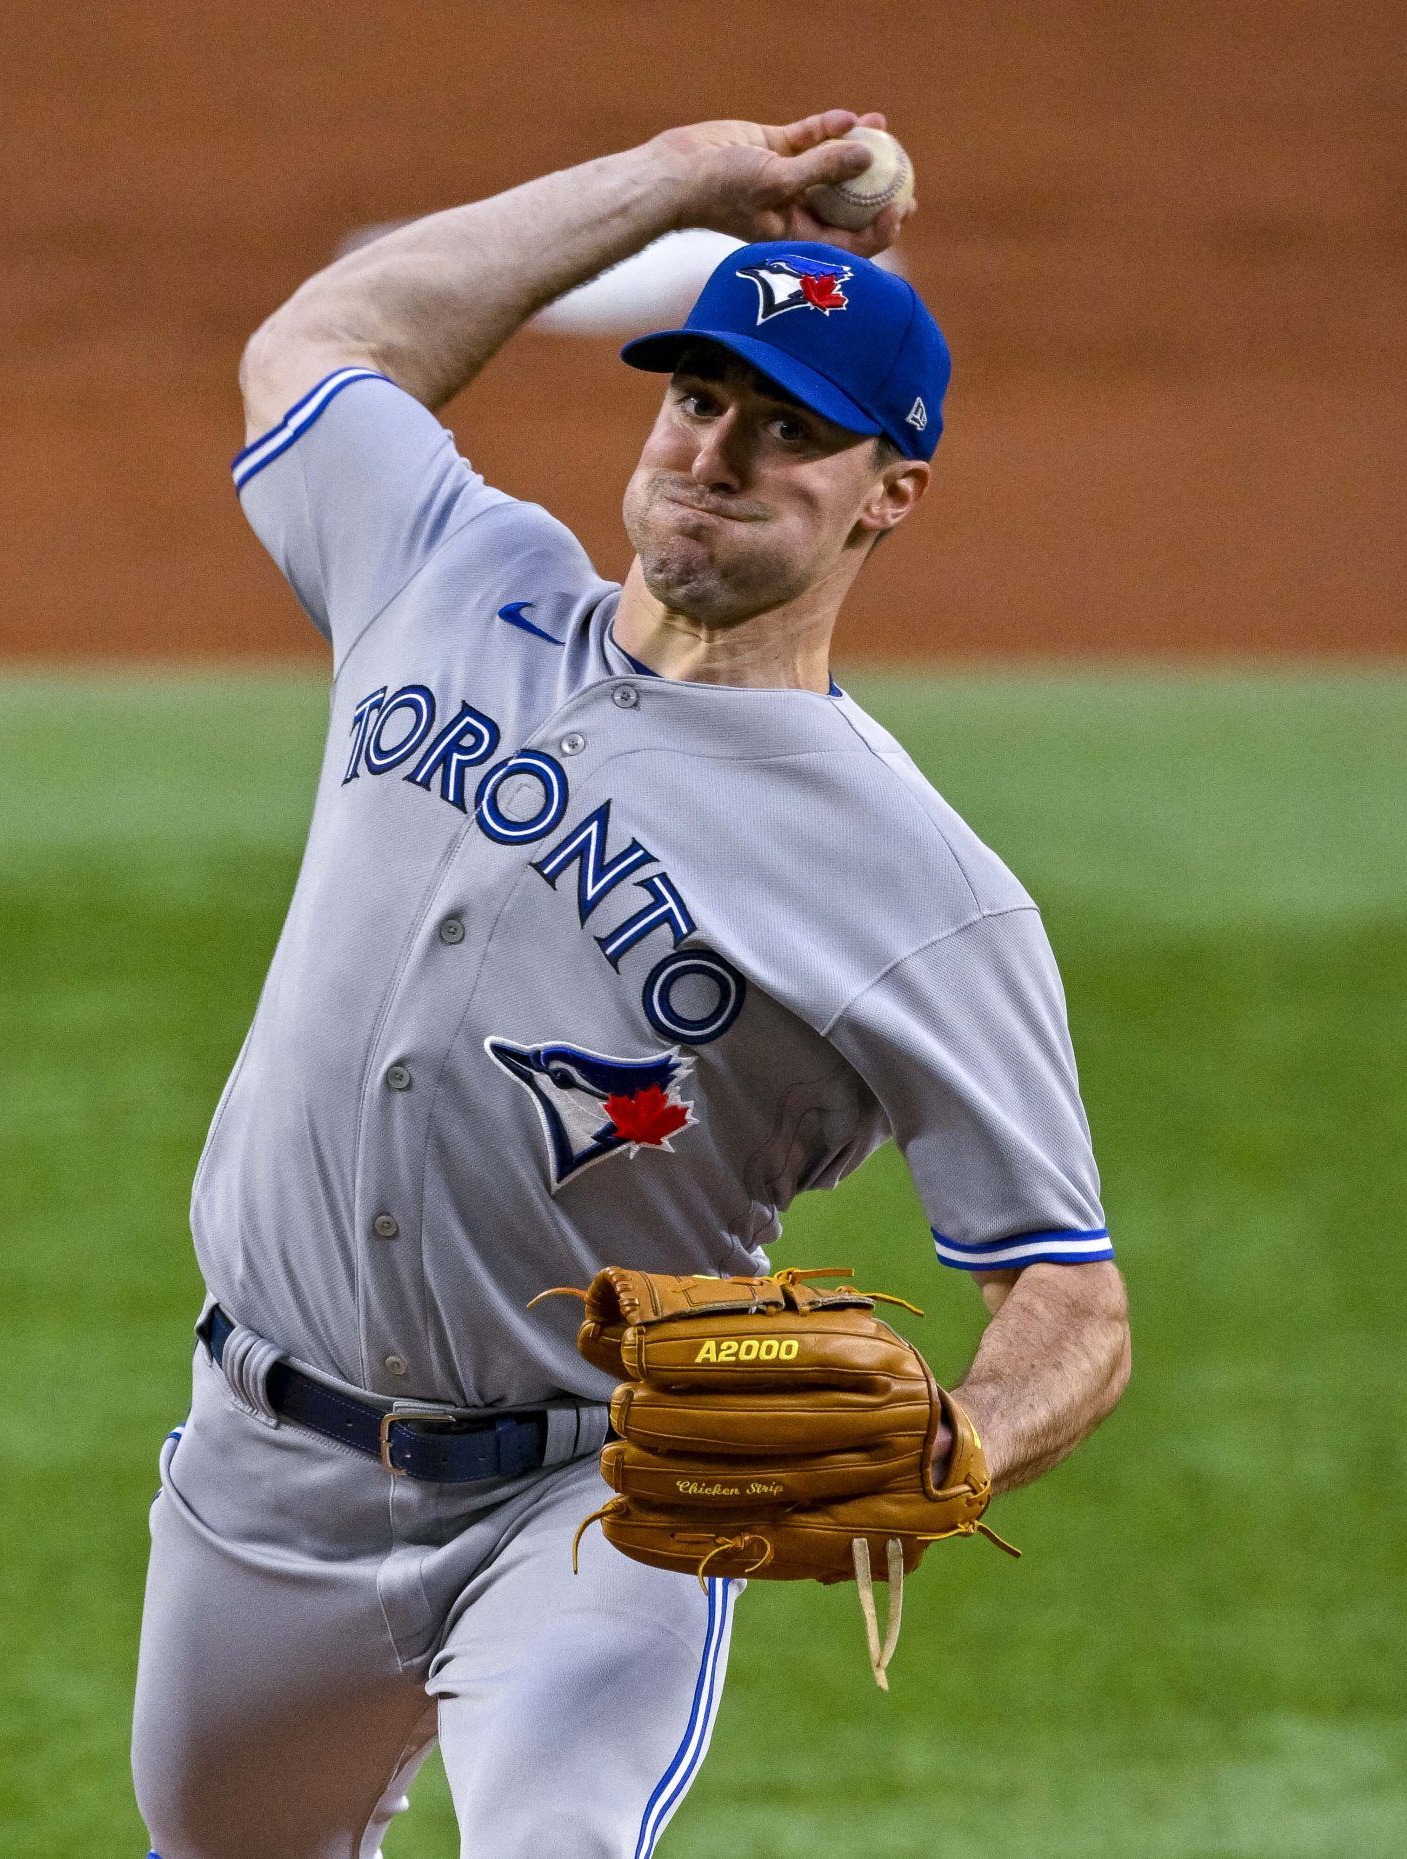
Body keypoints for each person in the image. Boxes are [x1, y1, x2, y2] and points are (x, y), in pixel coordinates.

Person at [131, 109, 1132, 1859]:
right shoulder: (452, 572)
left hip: (588, 1502)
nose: (718, 454)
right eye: (699, 400)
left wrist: (949, 1450)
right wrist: (675, 181)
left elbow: (1071, 1299)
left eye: (792, 432)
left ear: (891, 493)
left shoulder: (925, 890)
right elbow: (323, 345)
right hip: (258, 1466)